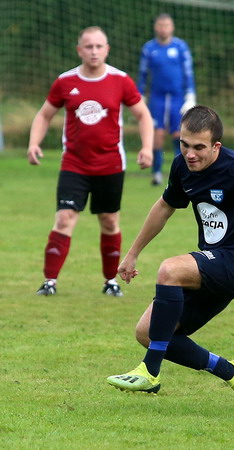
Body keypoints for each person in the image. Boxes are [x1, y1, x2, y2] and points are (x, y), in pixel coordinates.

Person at [106, 105, 234, 408]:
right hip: (212, 263)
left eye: (199, 147)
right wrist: (132, 254)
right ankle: (232, 371)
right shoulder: (182, 166)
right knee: (148, 333)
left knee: (170, 269)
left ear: (216, 146)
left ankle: (150, 371)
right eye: (184, 145)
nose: (190, 154)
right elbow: (164, 207)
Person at [27, 26, 153, 297]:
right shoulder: (65, 81)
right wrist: (34, 143)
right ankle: (49, 282)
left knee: (109, 220)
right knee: (64, 218)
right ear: (79, 50)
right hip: (74, 164)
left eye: (99, 46)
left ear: (107, 50)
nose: (94, 51)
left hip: (110, 164)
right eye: (89, 46)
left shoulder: (120, 80)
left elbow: (143, 115)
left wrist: (146, 147)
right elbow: (44, 115)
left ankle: (111, 282)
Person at [138, 13, 196, 186]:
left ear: (172, 27)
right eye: (160, 25)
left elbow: (188, 72)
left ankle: (180, 174)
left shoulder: (180, 47)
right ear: (156, 27)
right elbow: (143, 73)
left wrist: (190, 95)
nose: (163, 29)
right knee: (157, 135)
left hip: (177, 97)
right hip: (157, 97)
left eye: (166, 25)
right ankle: (156, 173)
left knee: (179, 134)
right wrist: (140, 94)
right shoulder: (149, 48)